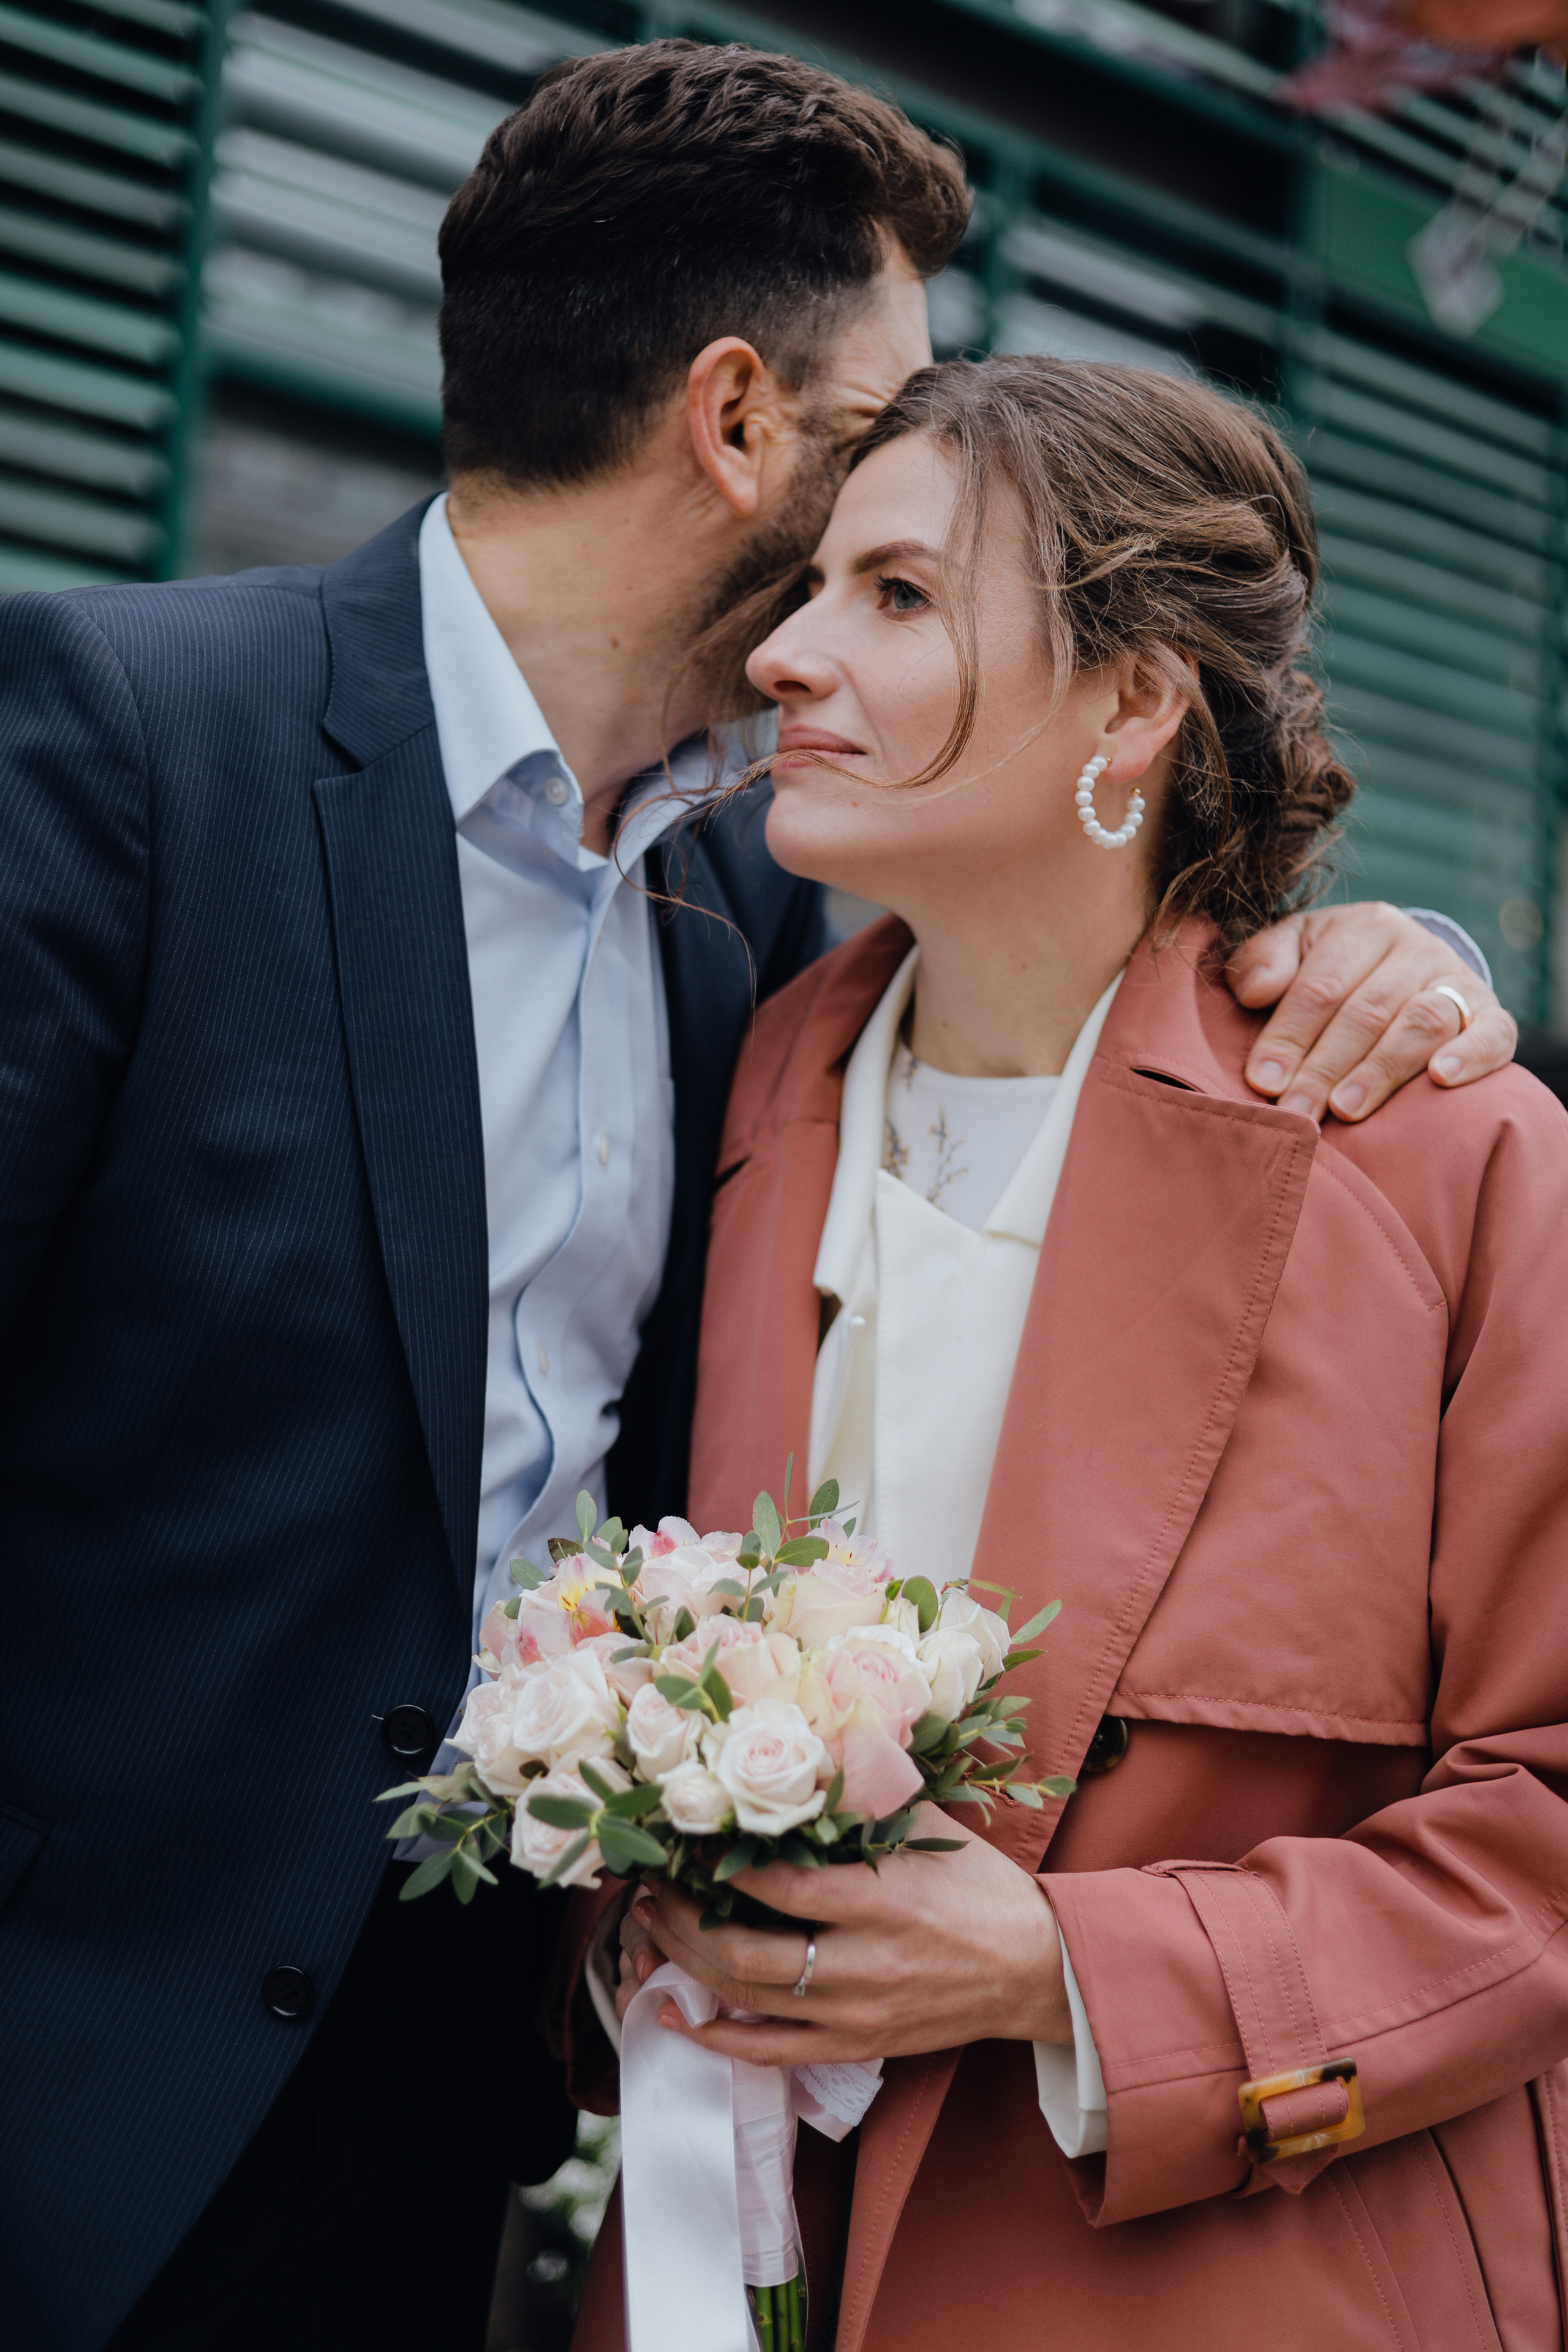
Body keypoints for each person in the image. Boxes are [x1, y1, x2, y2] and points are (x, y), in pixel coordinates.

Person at [0, 38, 1509, 2352]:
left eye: (907, 584)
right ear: (733, 419)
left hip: (474, 2118)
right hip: (73, 2067)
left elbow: (1096, 978)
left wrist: (1403, 949)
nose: (837, 599)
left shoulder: (767, 925)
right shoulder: (123, 739)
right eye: (877, 432)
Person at [584, 358, 1568, 2350]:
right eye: (811, 585)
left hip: (1229, 2279)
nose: (781, 651)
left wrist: (1069, 1974)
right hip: (733, 2250)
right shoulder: (752, 1076)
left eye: (897, 595)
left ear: (1133, 704)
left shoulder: (1448, 1155)